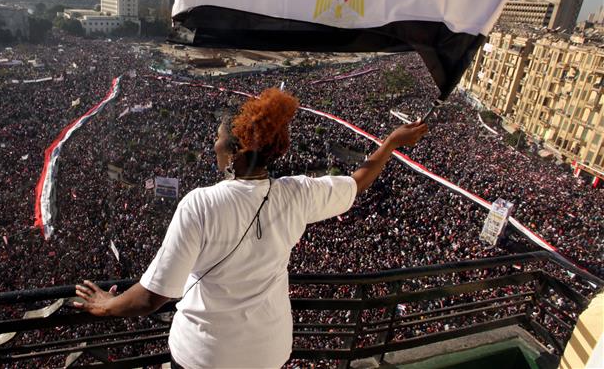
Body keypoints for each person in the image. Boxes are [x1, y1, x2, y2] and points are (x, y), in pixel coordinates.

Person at [74, 87, 429, 369]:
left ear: (235, 149)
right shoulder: (298, 193)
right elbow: (356, 182)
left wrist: (106, 305)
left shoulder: (200, 204)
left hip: (206, 357)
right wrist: (391, 144)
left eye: (217, 137)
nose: (213, 144)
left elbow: (152, 297)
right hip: (267, 354)